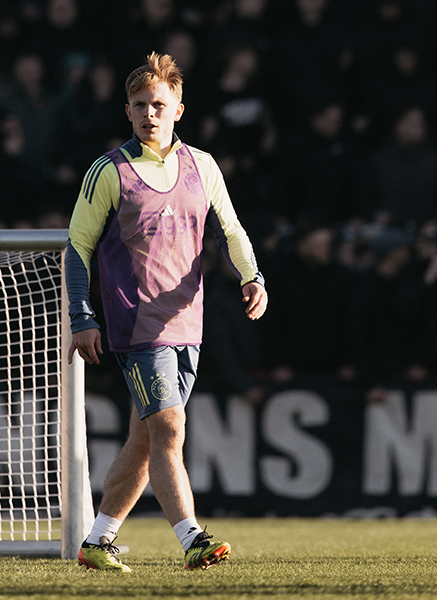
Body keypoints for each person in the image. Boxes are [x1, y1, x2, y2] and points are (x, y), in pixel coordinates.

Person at [65, 52, 268, 572]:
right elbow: (77, 247)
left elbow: (231, 229)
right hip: (137, 326)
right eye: (139, 105)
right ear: (127, 112)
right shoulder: (109, 171)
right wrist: (83, 317)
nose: (149, 113)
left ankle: (97, 541)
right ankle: (192, 538)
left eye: (158, 104)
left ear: (178, 109)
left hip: (187, 323)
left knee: (145, 439)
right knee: (171, 427)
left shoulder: (203, 166)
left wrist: (252, 276)